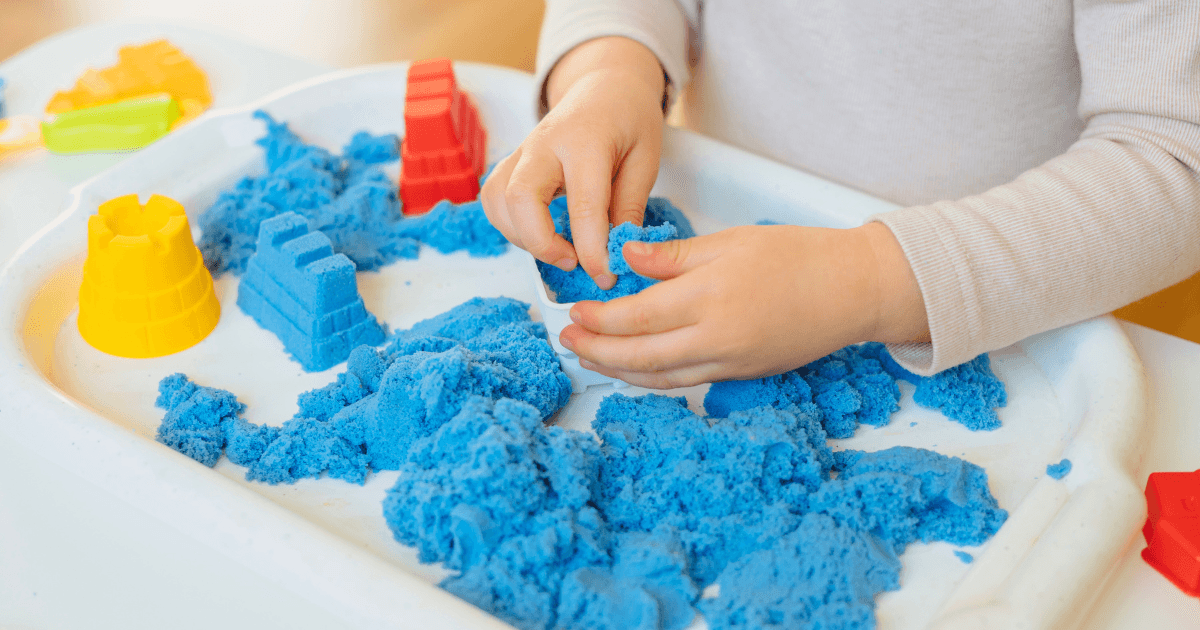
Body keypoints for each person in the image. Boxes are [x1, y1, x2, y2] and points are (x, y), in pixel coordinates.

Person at [481, 0, 1200, 389]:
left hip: (1000, 314)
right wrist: (610, 68)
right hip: (721, 227)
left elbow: (1174, 155)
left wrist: (865, 282)